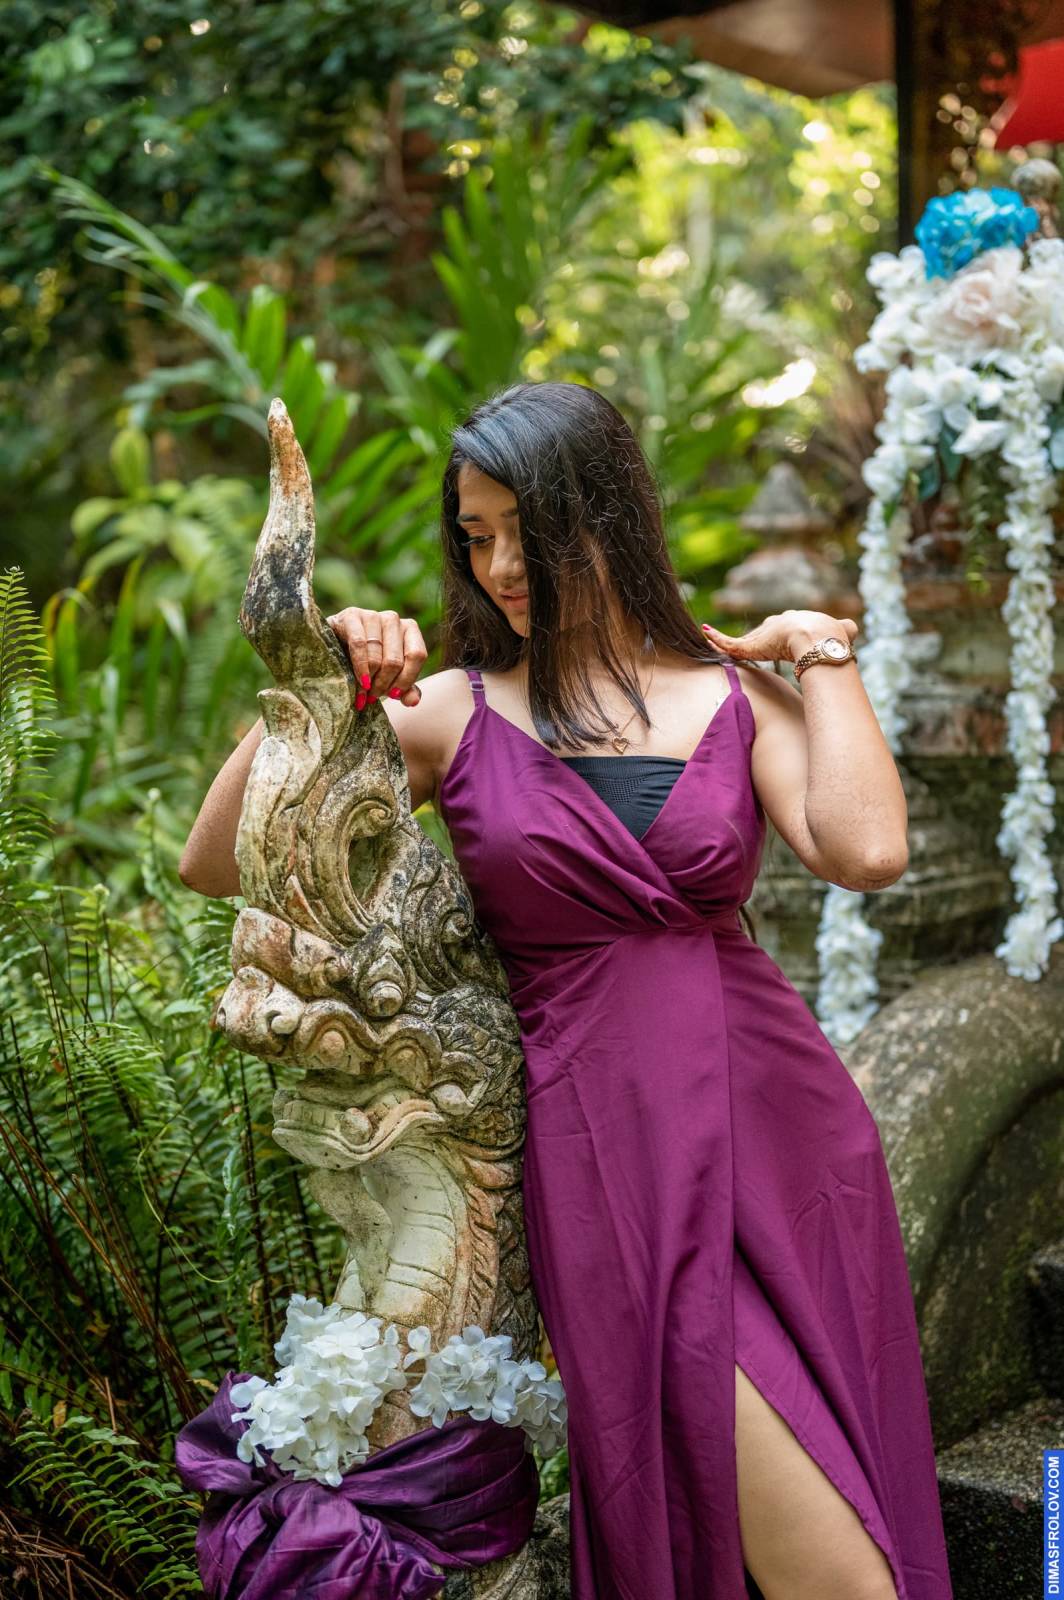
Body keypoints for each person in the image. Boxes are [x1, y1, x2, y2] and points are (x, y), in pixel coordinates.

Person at [179, 380, 955, 1600]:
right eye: (473, 536)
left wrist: (819, 650)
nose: (497, 566)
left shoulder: (729, 695)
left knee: (839, 1519)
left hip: (779, 1133)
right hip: (605, 1146)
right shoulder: (450, 711)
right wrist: (324, 678)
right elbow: (218, 859)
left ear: (602, 517)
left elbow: (864, 849)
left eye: (522, 531)